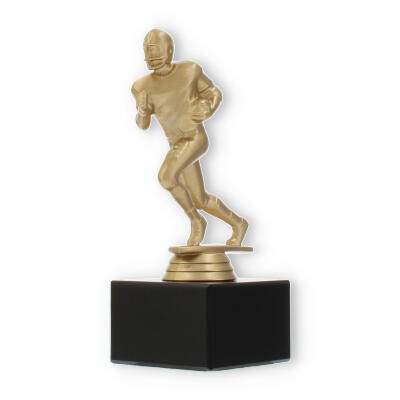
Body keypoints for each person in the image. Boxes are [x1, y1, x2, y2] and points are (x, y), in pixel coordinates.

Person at [132, 29, 248, 246]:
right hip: (177, 144)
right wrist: (142, 111)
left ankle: (196, 221)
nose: (152, 55)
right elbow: (143, 125)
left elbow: (213, 92)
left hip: (194, 138)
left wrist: (209, 108)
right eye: (148, 50)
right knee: (200, 199)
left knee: (166, 177)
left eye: (157, 49)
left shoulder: (189, 70)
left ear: (170, 50)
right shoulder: (141, 86)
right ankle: (238, 223)